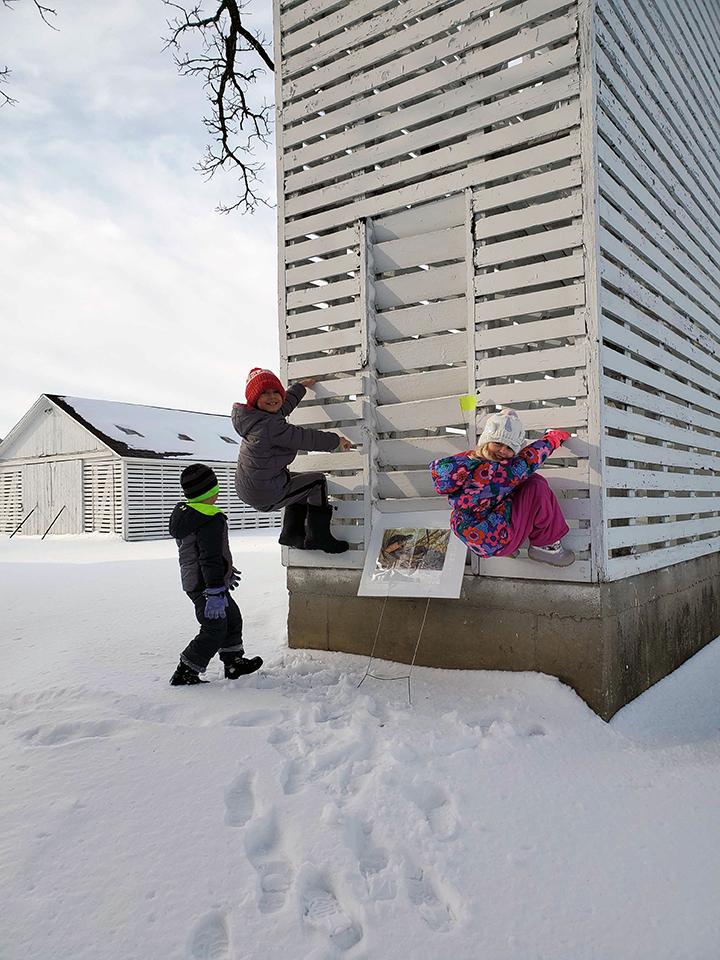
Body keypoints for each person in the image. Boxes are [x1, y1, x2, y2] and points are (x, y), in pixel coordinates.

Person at [429, 409, 575, 566]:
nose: (502, 451)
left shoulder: (466, 464)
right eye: (497, 443)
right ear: (485, 441)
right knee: (536, 486)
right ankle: (546, 546)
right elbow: (527, 461)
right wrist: (553, 439)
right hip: (492, 537)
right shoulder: (488, 473)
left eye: (510, 448)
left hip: (476, 532)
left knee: (522, 481)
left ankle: (505, 542)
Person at [232, 367, 353, 554]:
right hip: (265, 493)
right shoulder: (270, 426)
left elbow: (282, 406)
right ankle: (319, 537)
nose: (272, 396)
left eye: (275, 392)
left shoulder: (255, 419)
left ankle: (291, 533)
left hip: (251, 488)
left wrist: (300, 387)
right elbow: (306, 438)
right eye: (264, 393)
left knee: (296, 484)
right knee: (317, 482)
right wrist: (337, 440)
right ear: (254, 399)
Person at [168, 463, 263, 685]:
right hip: (206, 586)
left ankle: (233, 662)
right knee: (214, 628)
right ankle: (186, 670)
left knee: (232, 617)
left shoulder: (190, 514)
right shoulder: (208, 519)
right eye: (215, 486)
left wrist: (225, 571)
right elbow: (208, 557)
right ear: (210, 492)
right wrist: (215, 590)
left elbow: (205, 555)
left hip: (200, 581)